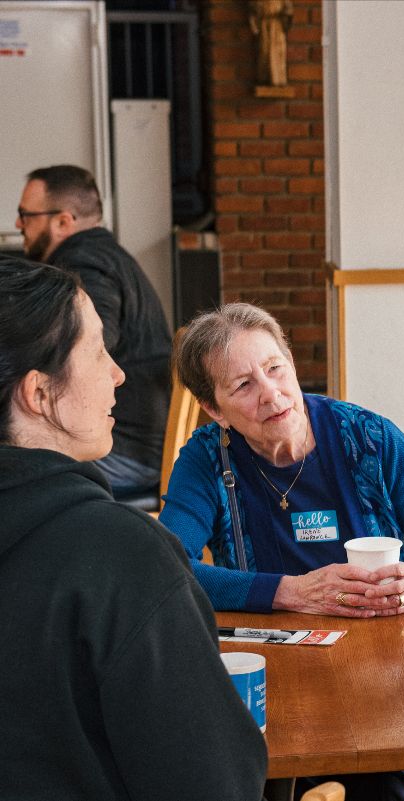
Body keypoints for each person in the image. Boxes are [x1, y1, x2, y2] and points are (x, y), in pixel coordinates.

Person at [159, 301, 404, 801]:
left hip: (384, 676)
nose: (271, 393)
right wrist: (289, 591)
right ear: (215, 410)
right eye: (243, 386)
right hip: (270, 678)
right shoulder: (208, 458)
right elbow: (167, 567)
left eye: (275, 369)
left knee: (382, 777)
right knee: (247, 775)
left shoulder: (368, 438)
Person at [0, 254, 267, 800]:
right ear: (39, 394)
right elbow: (215, 783)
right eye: (98, 351)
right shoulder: (120, 555)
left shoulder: (362, 436)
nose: (119, 372)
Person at [15, 165, 172, 501]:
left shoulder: (83, 265)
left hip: (126, 451)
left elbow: (76, 354)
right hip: (143, 444)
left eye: (25, 215)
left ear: (63, 221)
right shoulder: (108, 256)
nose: (18, 225)